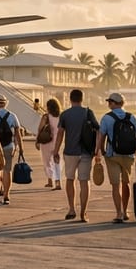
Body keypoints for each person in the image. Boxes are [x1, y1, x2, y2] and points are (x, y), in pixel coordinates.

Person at [96, 92, 136, 223]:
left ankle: (118, 213)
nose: (108, 104)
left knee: (115, 185)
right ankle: (126, 211)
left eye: (109, 102)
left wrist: (101, 152)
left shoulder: (107, 118)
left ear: (113, 103)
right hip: (129, 155)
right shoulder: (132, 117)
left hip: (113, 155)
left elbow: (101, 137)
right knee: (126, 183)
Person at [53, 89, 97, 222]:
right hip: (85, 152)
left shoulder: (65, 114)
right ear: (82, 99)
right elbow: (98, 130)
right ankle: (83, 213)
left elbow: (60, 134)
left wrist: (56, 151)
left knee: (70, 179)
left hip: (70, 152)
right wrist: (97, 150)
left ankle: (72, 209)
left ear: (70, 99)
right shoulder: (88, 113)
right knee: (84, 181)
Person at [0, 94, 24, 205]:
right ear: (5, 103)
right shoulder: (12, 116)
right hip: (9, 146)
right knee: (7, 170)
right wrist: (20, 148)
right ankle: (6, 195)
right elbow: (18, 134)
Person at [36, 98, 62, 190]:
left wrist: (37, 141)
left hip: (46, 142)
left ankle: (50, 181)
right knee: (57, 162)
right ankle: (58, 182)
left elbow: (40, 129)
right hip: (57, 142)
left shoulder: (46, 117)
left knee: (47, 162)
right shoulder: (61, 116)